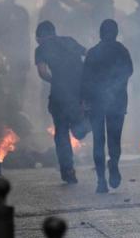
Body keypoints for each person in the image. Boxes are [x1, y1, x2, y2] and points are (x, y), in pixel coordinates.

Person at [81, 19, 133, 194]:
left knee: (98, 140)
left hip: (97, 102)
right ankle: (114, 163)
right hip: (117, 101)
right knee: (114, 138)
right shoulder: (122, 50)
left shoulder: (93, 52)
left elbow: (85, 79)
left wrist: (85, 101)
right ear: (116, 33)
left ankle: (101, 181)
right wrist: (115, 87)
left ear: (100, 33)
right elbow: (128, 72)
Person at [34, 20, 88, 184]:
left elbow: (42, 72)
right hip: (79, 92)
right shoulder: (69, 40)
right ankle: (84, 126)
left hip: (59, 96)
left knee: (62, 133)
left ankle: (68, 171)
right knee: (79, 127)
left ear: (40, 37)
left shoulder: (41, 48)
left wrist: (55, 81)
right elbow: (88, 54)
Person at [0, 0, 32, 109]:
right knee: (4, 86)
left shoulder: (22, 11)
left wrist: (27, 56)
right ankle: (5, 114)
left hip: (20, 55)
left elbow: (26, 35)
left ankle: (19, 111)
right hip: (3, 54)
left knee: (20, 85)